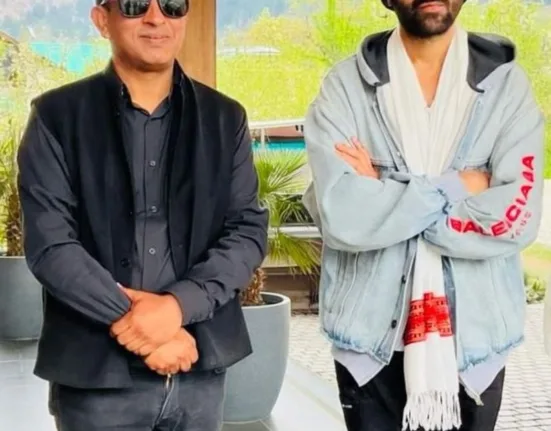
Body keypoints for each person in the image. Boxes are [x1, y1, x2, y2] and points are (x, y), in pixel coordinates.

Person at [17, 0, 269, 429]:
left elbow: (246, 230)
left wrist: (178, 307)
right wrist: (144, 326)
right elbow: (51, 245)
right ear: (102, 20)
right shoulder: (56, 117)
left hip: (198, 366)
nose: (156, 18)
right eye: (136, 5)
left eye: (172, 5)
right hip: (95, 375)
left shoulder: (225, 118)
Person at [302, 0, 544, 430]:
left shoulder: (508, 89)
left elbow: (517, 216)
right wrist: (458, 185)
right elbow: (341, 213)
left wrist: (384, 189)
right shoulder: (344, 88)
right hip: (369, 344)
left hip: (476, 344)